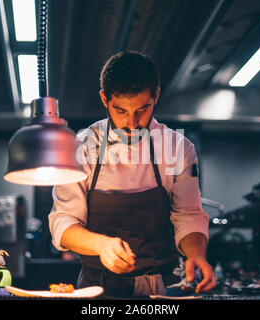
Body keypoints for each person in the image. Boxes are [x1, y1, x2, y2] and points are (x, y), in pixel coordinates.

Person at [48, 51, 215, 298]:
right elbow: (63, 223)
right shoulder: (80, 148)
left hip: (163, 289)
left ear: (155, 96)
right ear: (105, 99)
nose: (132, 123)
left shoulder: (177, 148)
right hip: (97, 291)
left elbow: (188, 215)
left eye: (142, 110)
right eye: (121, 110)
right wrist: (101, 245)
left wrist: (196, 255)